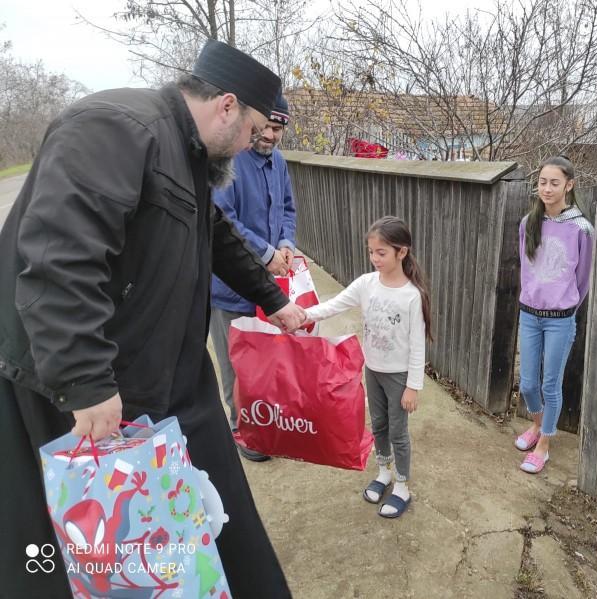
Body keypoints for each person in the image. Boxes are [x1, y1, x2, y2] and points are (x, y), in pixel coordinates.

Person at [0, 39, 303, 598]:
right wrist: (85, 379)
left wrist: (275, 300)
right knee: (80, 539)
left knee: (215, 517)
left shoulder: (188, 152)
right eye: (252, 129)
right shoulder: (114, 127)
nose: (251, 144)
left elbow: (220, 238)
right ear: (227, 106)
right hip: (72, 385)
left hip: (167, 375)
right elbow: (57, 257)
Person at [303, 216, 432, 518]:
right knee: (378, 425)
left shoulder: (412, 295)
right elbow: (333, 305)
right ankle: (383, 472)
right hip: (372, 370)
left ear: (402, 252)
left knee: (399, 432)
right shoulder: (366, 284)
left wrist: (414, 386)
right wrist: (301, 315)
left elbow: (417, 345)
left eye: (381, 252)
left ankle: (402, 486)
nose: (374, 258)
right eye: (371, 252)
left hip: (399, 376)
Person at [209, 94, 296, 461]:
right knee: (236, 364)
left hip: (270, 285)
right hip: (230, 289)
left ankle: (266, 422)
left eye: (279, 130)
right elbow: (224, 221)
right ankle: (241, 428)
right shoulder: (229, 160)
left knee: (265, 363)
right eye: (268, 127)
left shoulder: (278, 162)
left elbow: (288, 207)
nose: (272, 136)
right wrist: (267, 253)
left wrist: (287, 243)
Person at [514, 155, 594, 474]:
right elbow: (526, 267)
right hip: (529, 315)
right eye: (543, 182)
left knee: (550, 384)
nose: (547, 189)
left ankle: (544, 445)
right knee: (528, 384)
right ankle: (536, 426)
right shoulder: (528, 223)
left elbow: (584, 278)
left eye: (554, 183)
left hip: (560, 319)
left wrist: (566, 307)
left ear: (569, 185)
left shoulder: (581, 229)